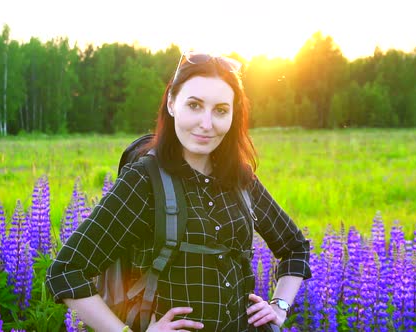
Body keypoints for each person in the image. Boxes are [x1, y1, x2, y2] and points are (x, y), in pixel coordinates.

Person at [46, 51, 311, 331]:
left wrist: (278, 306)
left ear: (234, 115)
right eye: (194, 105)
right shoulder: (145, 179)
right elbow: (66, 272)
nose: (206, 124)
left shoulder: (239, 178)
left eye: (221, 110)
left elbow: (295, 248)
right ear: (172, 103)